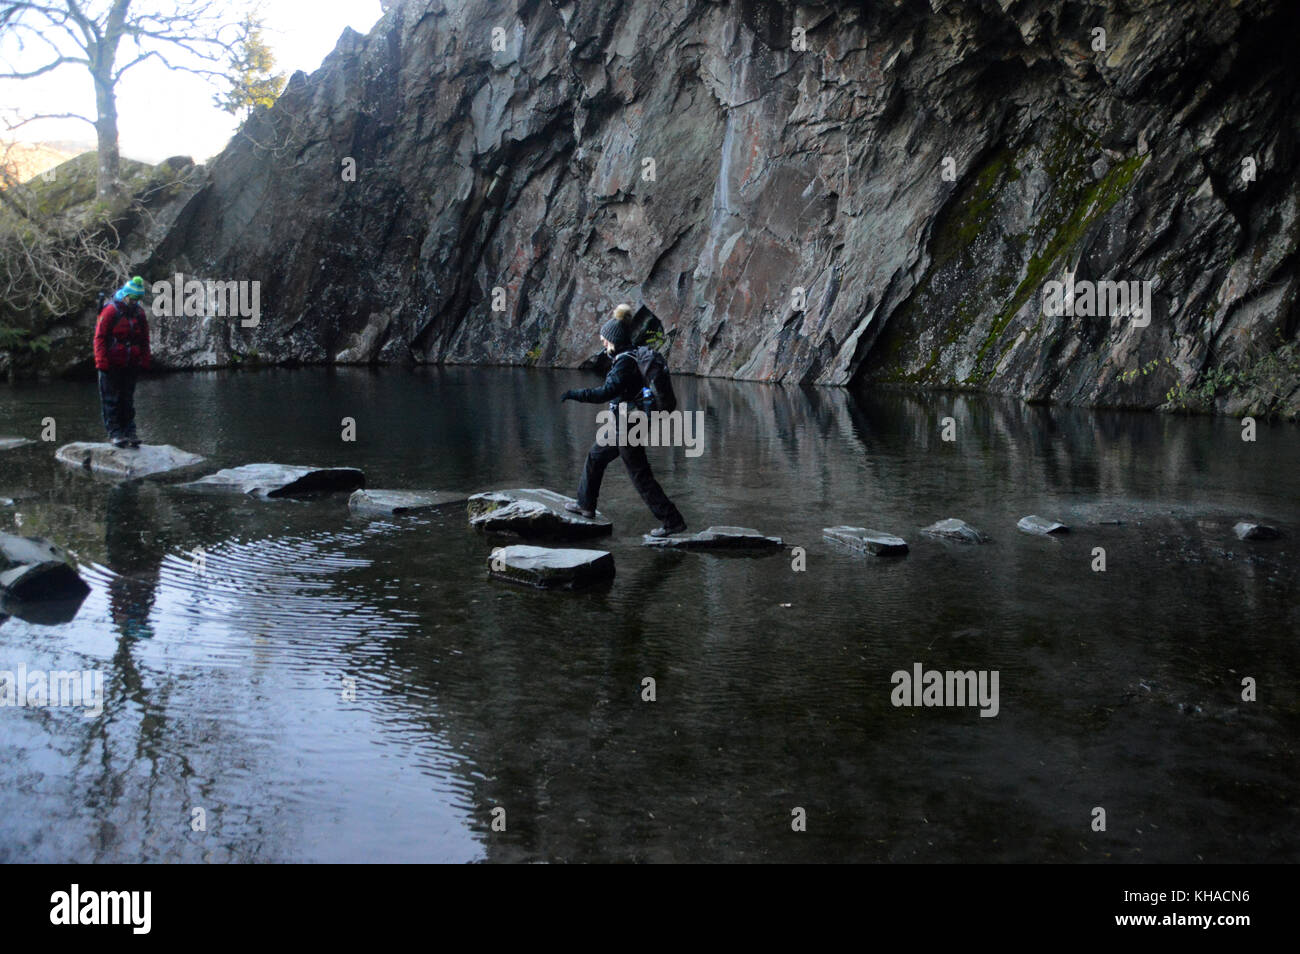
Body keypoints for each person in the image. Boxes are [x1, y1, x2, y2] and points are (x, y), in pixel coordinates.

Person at [561, 304, 687, 537]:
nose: (603, 344)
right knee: (595, 457)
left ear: (614, 340)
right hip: (625, 425)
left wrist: (574, 394)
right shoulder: (628, 356)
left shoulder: (624, 363)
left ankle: (672, 522)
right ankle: (585, 505)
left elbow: (605, 393)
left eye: (604, 341)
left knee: (640, 476)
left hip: (628, 428)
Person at [93, 276, 152, 448]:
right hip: (111, 363)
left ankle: (130, 432)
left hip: (130, 363)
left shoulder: (139, 313)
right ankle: (115, 433)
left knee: (127, 399)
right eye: (133, 299)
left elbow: (144, 338)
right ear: (126, 296)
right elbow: (100, 338)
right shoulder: (110, 311)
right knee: (111, 400)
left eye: (137, 300)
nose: (135, 302)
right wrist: (101, 362)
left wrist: (145, 358)